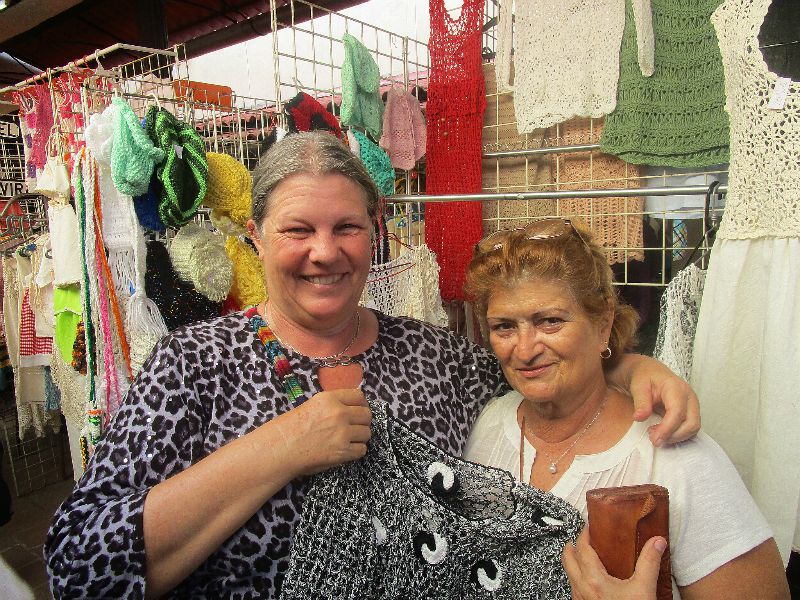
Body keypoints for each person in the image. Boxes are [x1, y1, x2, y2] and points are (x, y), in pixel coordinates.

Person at [46, 132, 700, 599]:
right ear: (255, 236)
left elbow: (541, 373)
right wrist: (281, 447)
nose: (324, 252)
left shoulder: (436, 356)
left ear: (375, 230)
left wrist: (629, 367)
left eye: (346, 228)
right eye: (297, 230)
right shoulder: (192, 365)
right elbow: (78, 564)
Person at [462, 218, 790, 599]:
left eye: (550, 321)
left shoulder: (674, 458)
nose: (524, 349)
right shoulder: (485, 425)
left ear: (603, 324)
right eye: (504, 326)